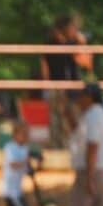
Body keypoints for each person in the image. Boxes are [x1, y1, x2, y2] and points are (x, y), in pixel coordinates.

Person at [68, 82, 103, 206]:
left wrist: (90, 177)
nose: (78, 101)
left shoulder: (93, 117)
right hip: (100, 169)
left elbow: (92, 146)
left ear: (89, 97)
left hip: (90, 171)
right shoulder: (100, 115)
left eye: (81, 97)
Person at [39, 15, 81, 148]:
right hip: (56, 87)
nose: (75, 30)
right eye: (72, 27)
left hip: (70, 88)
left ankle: (67, 147)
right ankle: (56, 147)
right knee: (55, 120)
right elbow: (45, 66)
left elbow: (84, 63)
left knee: (68, 120)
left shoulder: (73, 44)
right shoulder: (51, 44)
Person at [2, 121, 31, 206]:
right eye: (23, 133)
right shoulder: (10, 147)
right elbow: (12, 164)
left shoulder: (25, 148)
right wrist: (25, 161)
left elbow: (27, 169)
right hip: (11, 192)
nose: (26, 136)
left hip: (18, 191)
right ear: (15, 134)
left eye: (27, 134)